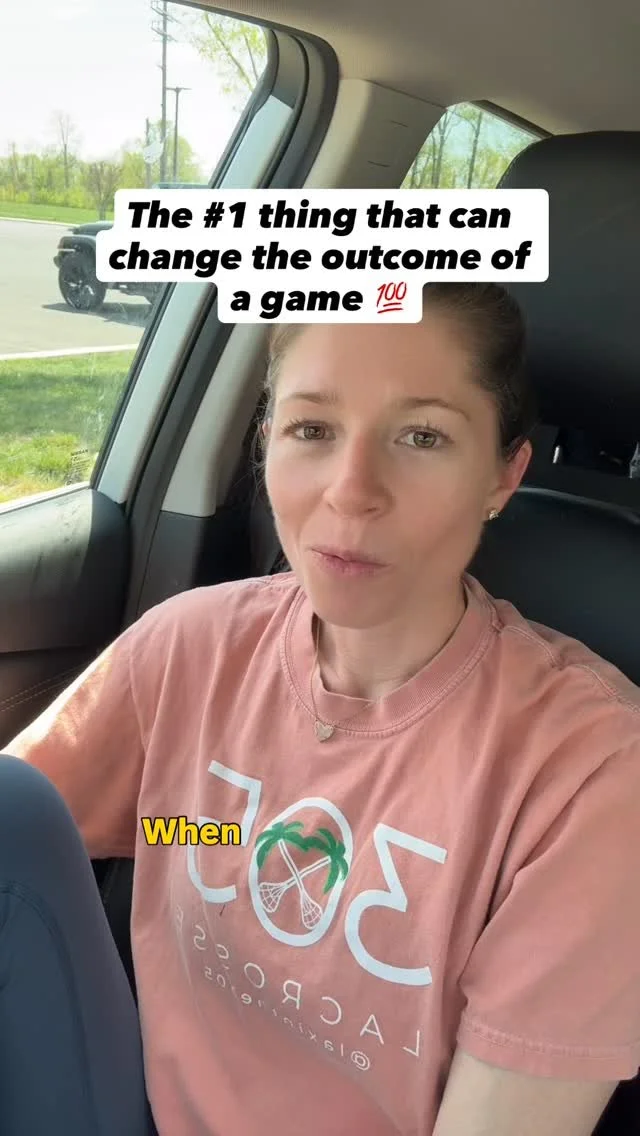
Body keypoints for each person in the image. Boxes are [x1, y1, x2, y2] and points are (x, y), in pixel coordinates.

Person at [3, 282, 640, 1136]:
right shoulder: (191, 646)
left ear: (503, 473)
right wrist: (199, 830)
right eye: (311, 429)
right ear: (267, 442)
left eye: (422, 436)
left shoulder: (594, 774)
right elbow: (60, 835)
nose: (351, 490)